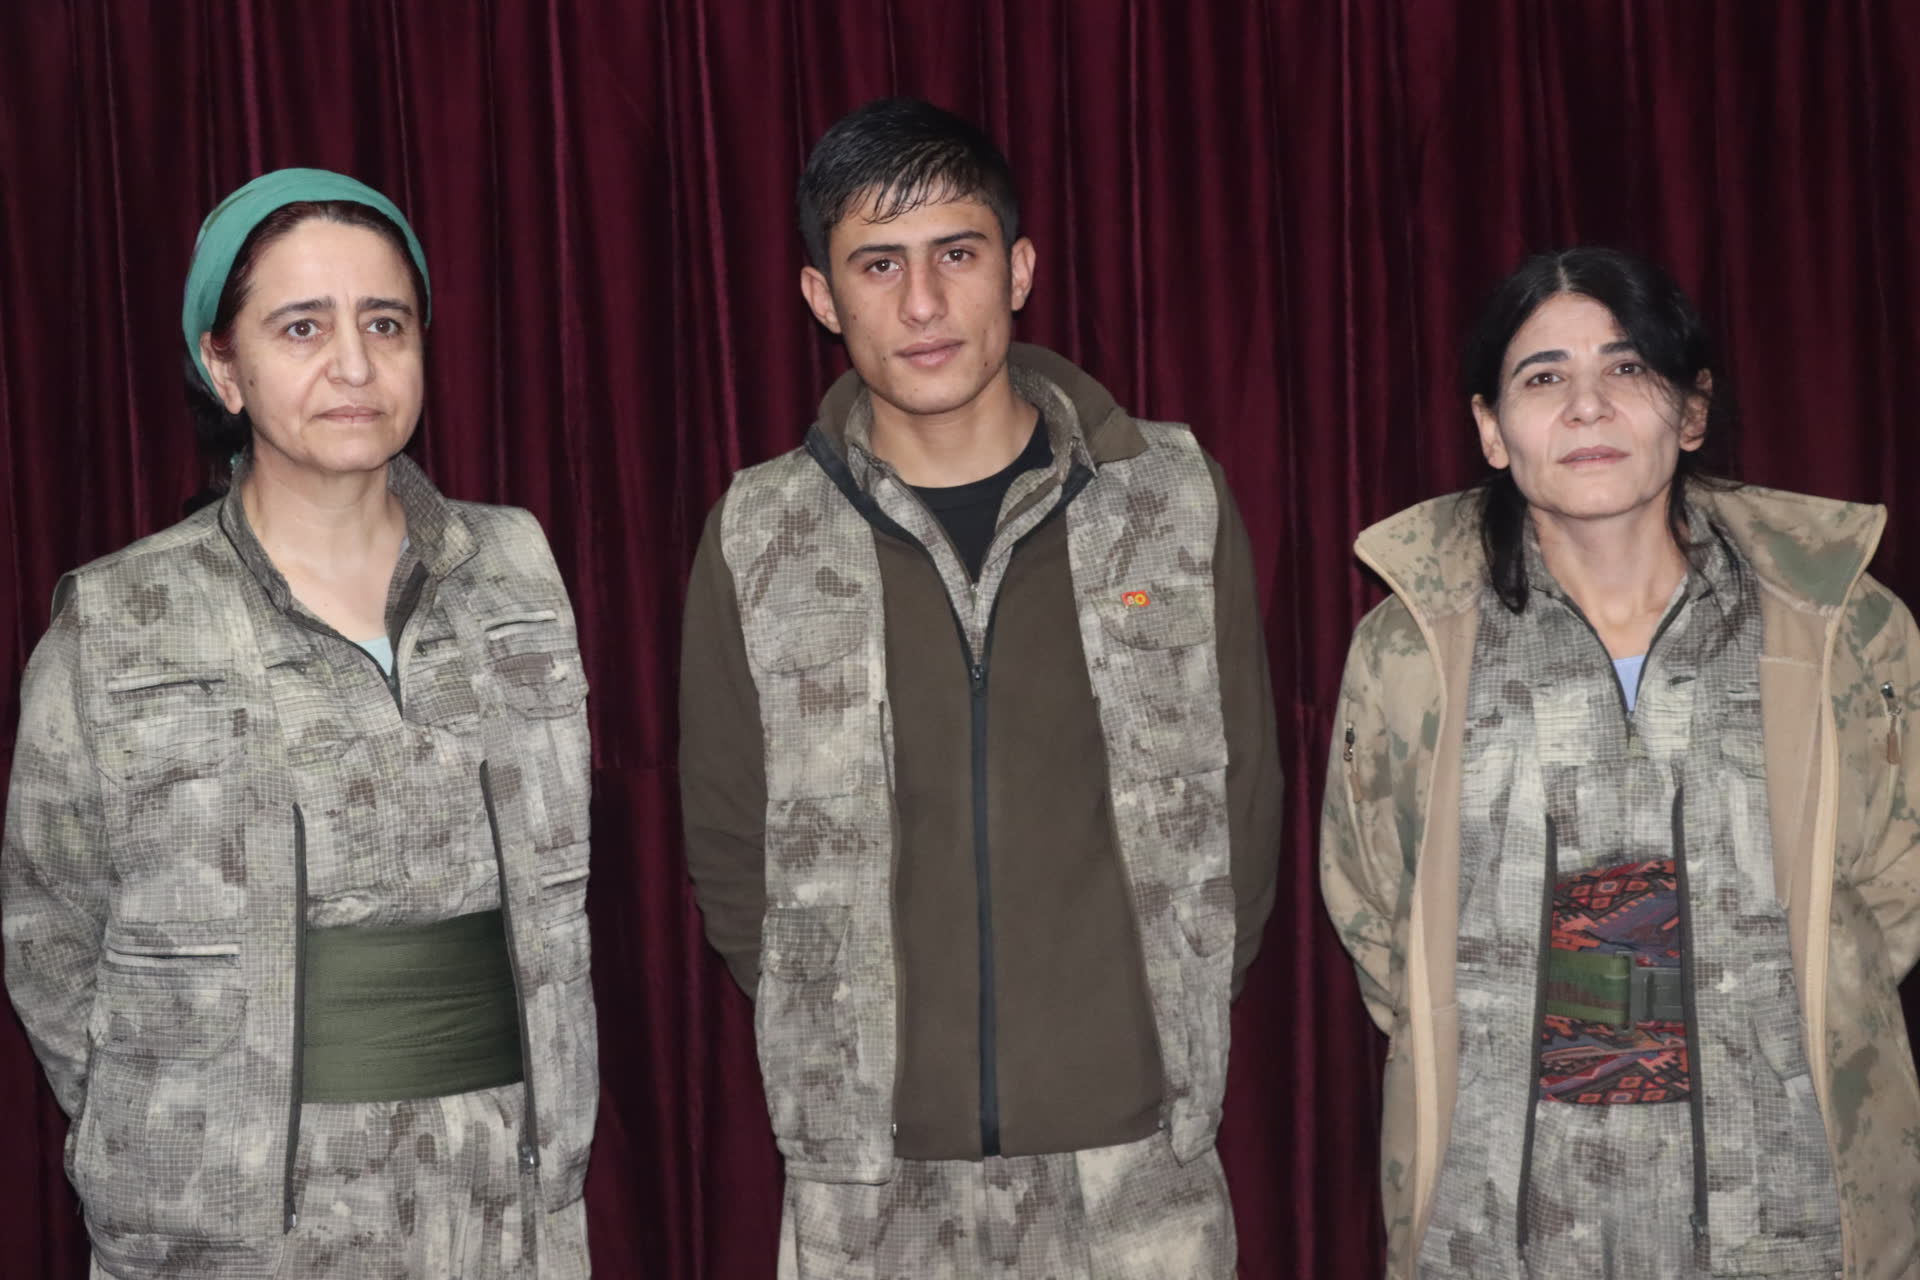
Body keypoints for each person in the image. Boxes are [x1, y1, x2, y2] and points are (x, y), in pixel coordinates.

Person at [680, 98, 1281, 1278]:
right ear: (820, 296)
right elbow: (730, 840)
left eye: (955, 253)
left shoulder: (1168, 498)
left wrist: (1161, 1023)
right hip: (868, 1176)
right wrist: (843, 1041)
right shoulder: (760, 532)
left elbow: (1242, 804)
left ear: (1019, 269)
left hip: (1137, 1161)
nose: (922, 302)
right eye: (878, 264)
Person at [2, 169, 598, 1279]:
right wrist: (176, 1112)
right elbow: (49, 930)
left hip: (499, 1199)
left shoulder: (515, 569)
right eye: (302, 327)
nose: (355, 365)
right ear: (223, 365)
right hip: (225, 1223)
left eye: (386, 323)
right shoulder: (123, 617)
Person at [1320, 245, 1920, 1279]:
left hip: (1788, 1209)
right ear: (1491, 429)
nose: (1586, 405)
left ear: (1691, 412)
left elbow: (1887, 899)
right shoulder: (1412, 646)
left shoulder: (1841, 630)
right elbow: (1378, 908)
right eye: (1543, 376)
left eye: (1627, 366)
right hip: (1502, 1219)